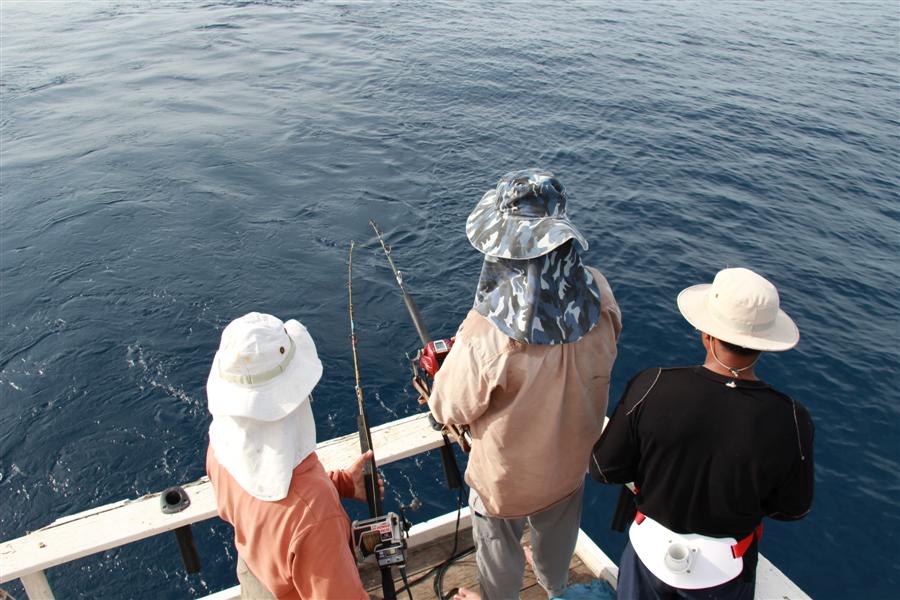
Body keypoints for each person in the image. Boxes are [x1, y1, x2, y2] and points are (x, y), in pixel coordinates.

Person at [427, 169, 622, 600]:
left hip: (506, 485)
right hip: (571, 468)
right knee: (556, 544)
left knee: (500, 556)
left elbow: (449, 409)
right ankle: (556, 590)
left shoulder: (487, 333)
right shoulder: (602, 296)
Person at [591, 267, 815, 599]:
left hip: (648, 553)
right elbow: (792, 508)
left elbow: (603, 468)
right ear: (762, 345)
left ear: (706, 334)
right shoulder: (792, 418)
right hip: (727, 568)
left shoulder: (653, 384)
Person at [205, 312, 380, 600]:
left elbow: (266, 500)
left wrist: (342, 483)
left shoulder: (220, 446)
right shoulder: (316, 514)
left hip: (255, 579)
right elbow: (300, 514)